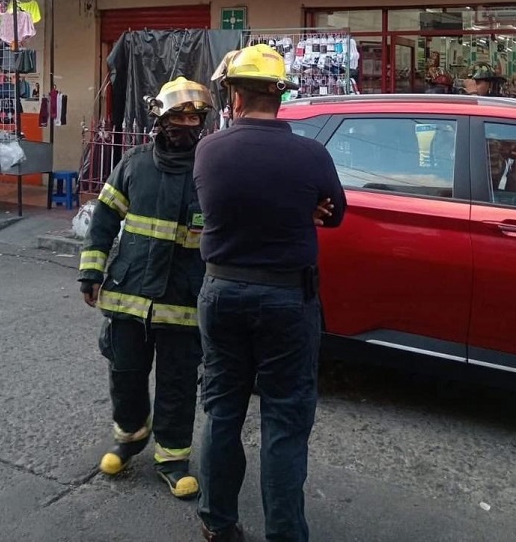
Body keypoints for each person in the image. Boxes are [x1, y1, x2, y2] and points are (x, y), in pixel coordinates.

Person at [193, 44, 346, 542]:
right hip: (286, 300)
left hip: (221, 294)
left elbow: (225, 206)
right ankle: (284, 533)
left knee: (222, 412)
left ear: (235, 96)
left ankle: (219, 523)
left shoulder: (209, 150)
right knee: (284, 420)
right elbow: (336, 211)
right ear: (279, 98)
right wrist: (308, 209)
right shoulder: (311, 155)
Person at [78, 77, 214, 500]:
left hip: (182, 298)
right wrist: (91, 272)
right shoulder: (133, 164)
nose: (186, 124)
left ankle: (172, 459)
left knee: (176, 382)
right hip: (127, 292)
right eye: (178, 116)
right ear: (160, 119)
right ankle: (131, 436)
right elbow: (103, 219)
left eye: (193, 117)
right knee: (125, 373)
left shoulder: (210, 171)